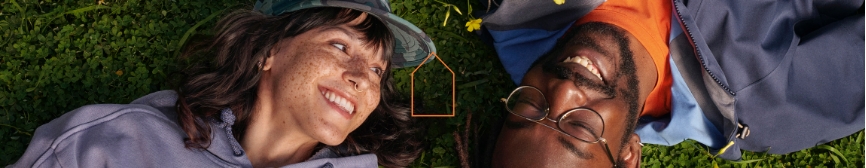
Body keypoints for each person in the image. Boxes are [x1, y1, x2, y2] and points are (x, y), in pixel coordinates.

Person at [10, 0, 436, 167]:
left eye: (379, 70)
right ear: (268, 52)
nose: (362, 79)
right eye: (341, 47)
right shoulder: (120, 141)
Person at [473, 0, 864, 167]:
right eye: (579, 126)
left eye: (529, 108)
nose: (562, 90)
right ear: (628, 154)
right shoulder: (767, 106)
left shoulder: (517, 10)